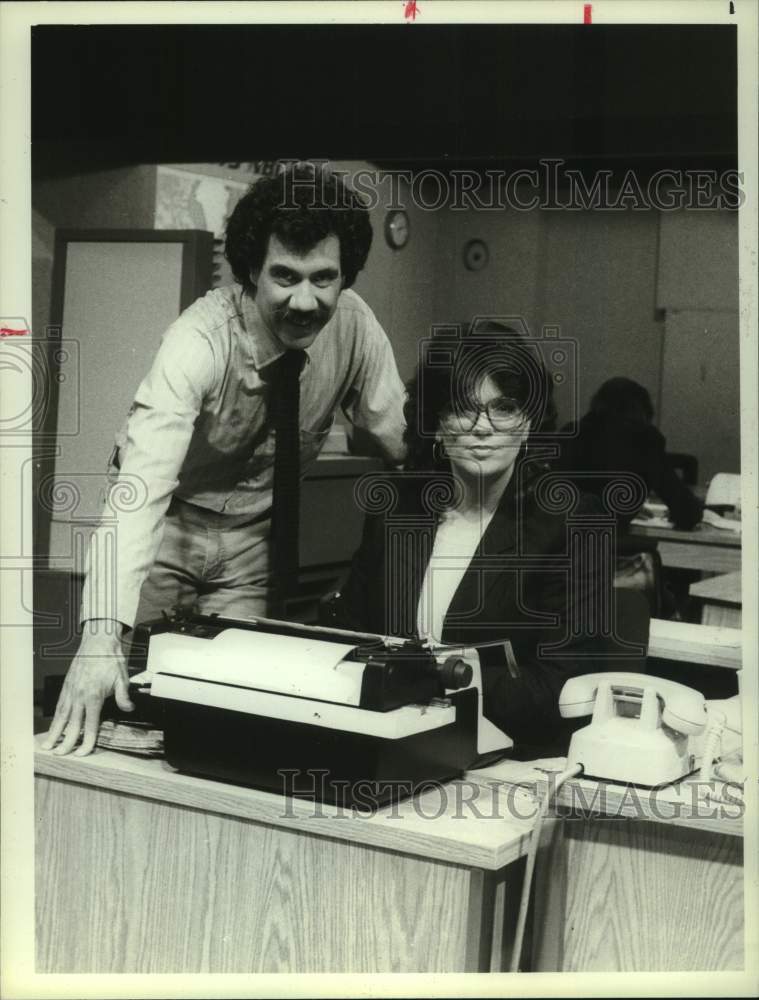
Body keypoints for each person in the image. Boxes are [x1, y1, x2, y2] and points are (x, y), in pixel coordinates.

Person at [43, 162, 407, 757]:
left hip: (253, 542)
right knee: (122, 702)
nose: (305, 300)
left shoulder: (357, 328)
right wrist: (98, 636)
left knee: (230, 712)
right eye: (284, 276)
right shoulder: (198, 341)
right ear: (251, 271)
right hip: (169, 527)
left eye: (323, 278)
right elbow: (139, 490)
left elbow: (395, 436)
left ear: (345, 277)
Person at [335, 326, 616, 752]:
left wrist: (425, 682)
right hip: (391, 740)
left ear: (528, 425)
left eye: (504, 408)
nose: (483, 428)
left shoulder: (572, 522)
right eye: (463, 409)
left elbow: (564, 680)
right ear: (437, 427)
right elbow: (351, 638)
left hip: (509, 755)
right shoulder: (396, 510)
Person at [556, 377, 703, 532]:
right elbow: (687, 513)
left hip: (556, 537)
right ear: (642, 411)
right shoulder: (644, 438)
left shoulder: (570, 432)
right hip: (604, 540)